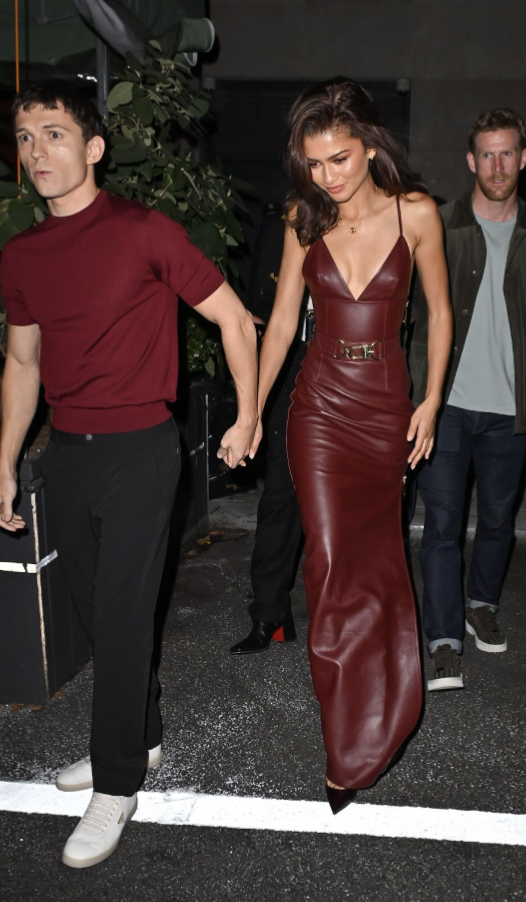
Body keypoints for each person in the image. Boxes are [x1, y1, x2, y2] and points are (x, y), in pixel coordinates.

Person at [0, 82, 258, 869]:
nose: (38, 150)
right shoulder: (24, 254)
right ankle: (140, 741)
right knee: (94, 612)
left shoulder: (144, 231)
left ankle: (116, 785)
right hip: (66, 455)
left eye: (55, 133)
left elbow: (233, 316)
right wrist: (7, 464)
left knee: (119, 620)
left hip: (141, 449)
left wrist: (247, 416)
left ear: (94, 148)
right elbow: (21, 361)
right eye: (26, 137)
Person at [250, 78, 452, 813]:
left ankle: (389, 704)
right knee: (330, 563)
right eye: (314, 165)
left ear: (369, 147)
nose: (327, 177)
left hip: (386, 408)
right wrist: (249, 412)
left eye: (338, 159)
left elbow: (437, 314)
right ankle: (348, 744)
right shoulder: (304, 221)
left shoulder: (417, 213)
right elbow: (277, 327)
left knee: (377, 564)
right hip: (322, 409)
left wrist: (429, 401)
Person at [409, 108, 526, 691]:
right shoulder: (443, 224)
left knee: (500, 521)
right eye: (487, 154)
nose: (497, 165)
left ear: (522, 159)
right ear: (470, 160)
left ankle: (482, 603)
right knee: (445, 526)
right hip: (447, 406)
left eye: (507, 153)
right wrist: (417, 398)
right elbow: (416, 319)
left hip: (512, 412)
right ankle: (445, 640)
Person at [230, 205, 307, 655]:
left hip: (353, 364)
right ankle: (269, 614)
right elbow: (264, 291)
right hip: (291, 360)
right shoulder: (285, 218)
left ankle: (351, 620)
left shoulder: (382, 212)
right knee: (281, 493)